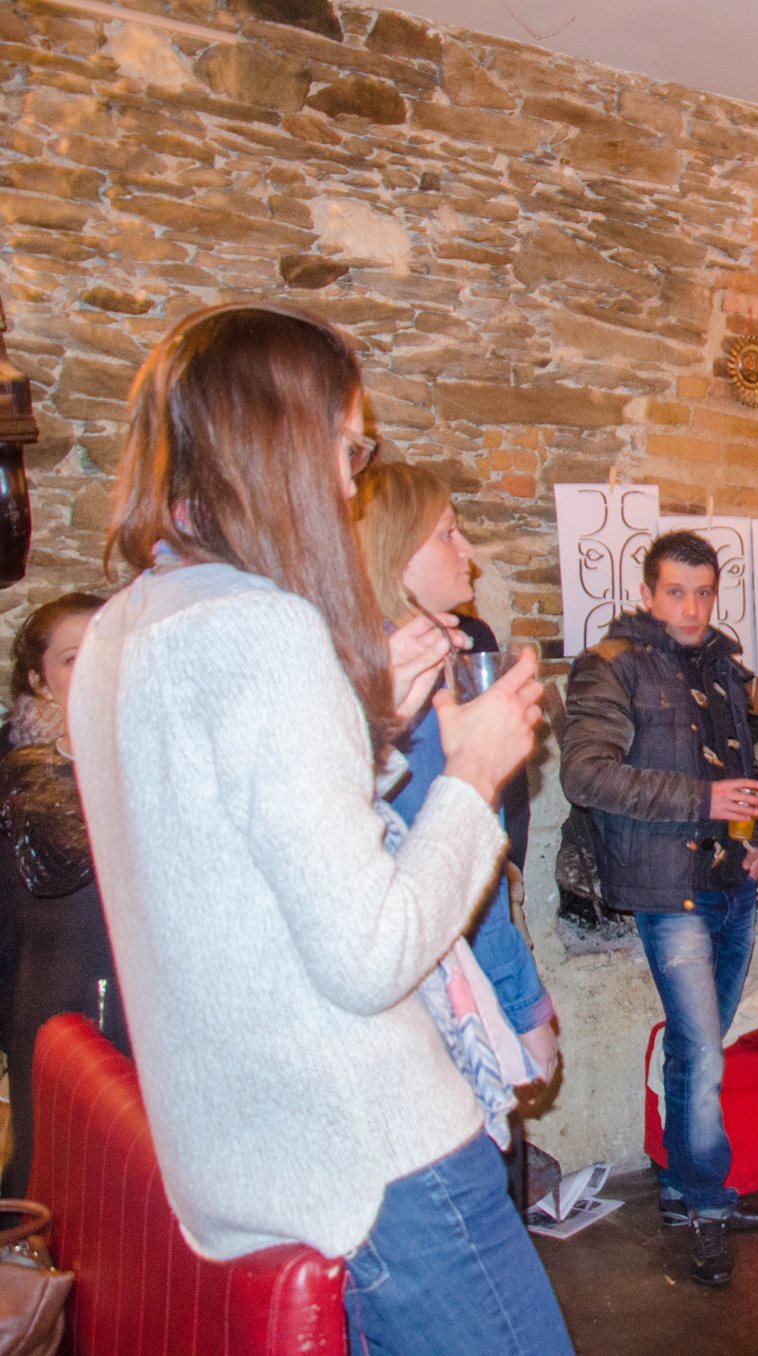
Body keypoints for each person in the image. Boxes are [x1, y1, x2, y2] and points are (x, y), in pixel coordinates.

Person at [68, 302, 569, 1353]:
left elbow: (233, 855)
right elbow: (370, 953)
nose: (350, 486)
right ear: (281, 445)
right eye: (348, 450)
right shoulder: (265, 628)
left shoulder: (128, 623)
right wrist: (472, 775)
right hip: (372, 1154)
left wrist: (370, 724)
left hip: (247, 1149)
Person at [561, 529, 758, 1287]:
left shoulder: (722, 666)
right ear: (648, 594)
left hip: (732, 883)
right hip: (668, 888)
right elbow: (586, 776)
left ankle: (682, 1185)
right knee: (704, 1052)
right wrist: (702, 801)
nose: (692, 608)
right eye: (676, 593)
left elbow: (746, 769)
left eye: (704, 593)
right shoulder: (611, 665)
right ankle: (708, 1202)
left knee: (698, 1046)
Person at [353, 462, 558, 1089]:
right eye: (447, 533)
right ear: (395, 552)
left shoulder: (385, 658)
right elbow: (456, 876)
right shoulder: (409, 684)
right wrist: (524, 1004)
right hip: (430, 980)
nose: (467, 550)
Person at [0, 592, 123, 1200]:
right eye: (74, 658)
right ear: (38, 679)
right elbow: (58, 864)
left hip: (134, 995)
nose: (95, 667)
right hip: (53, 994)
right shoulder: (25, 770)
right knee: (53, 1171)